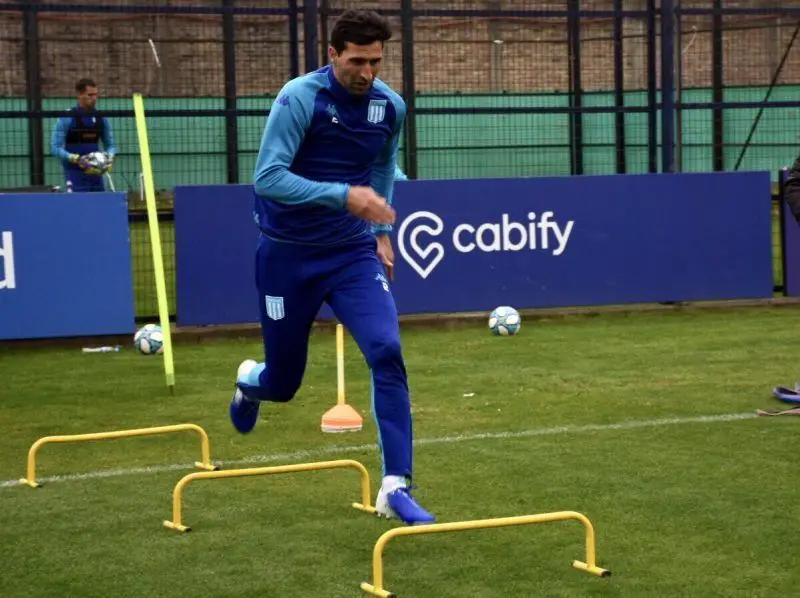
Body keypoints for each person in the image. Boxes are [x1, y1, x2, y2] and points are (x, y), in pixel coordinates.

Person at [229, 9, 434, 525]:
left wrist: (381, 230)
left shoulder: (390, 107)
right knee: (284, 384)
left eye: (376, 62)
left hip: (350, 254)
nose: (367, 73)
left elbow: (384, 165)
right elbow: (268, 177)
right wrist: (345, 196)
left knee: (387, 350)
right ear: (333, 54)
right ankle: (250, 382)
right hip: (287, 257)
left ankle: (395, 486)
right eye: (357, 61)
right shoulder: (300, 98)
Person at [50, 78, 117, 192]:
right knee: (78, 206)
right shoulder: (67, 117)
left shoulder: (101, 118)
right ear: (80, 95)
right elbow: (55, 147)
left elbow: (111, 145)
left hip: (96, 173)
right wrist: (74, 158)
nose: (94, 98)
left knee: (98, 205)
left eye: (96, 95)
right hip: (74, 173)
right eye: (90, 95)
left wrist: (109, 157)